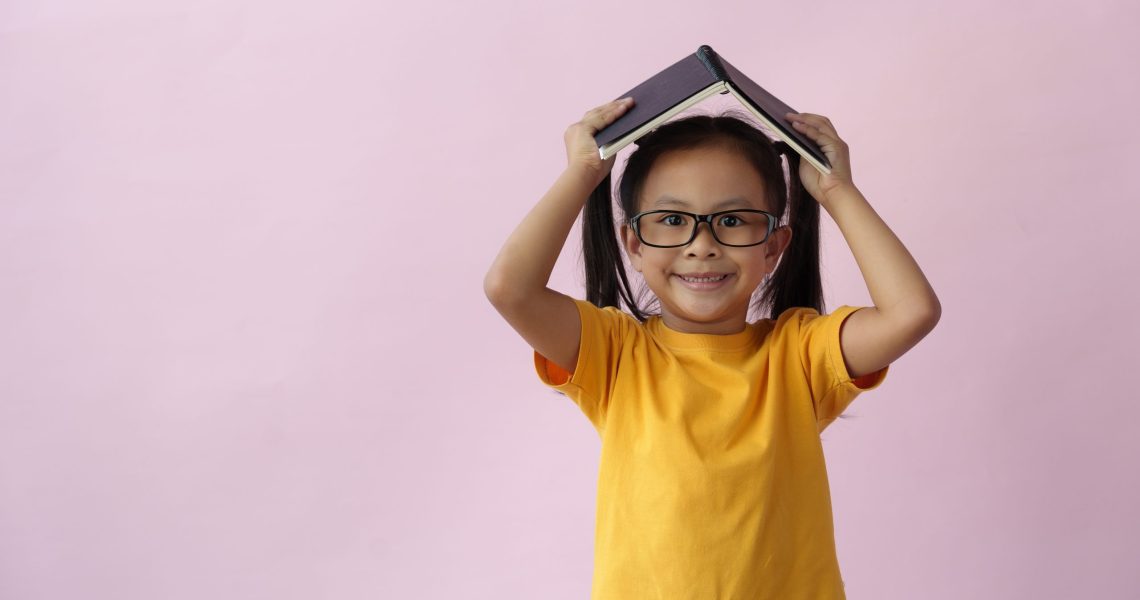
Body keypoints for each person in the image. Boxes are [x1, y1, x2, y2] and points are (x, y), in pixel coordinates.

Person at [483, 96, 940, 599]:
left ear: (773, 246)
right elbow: (510, 288)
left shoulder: (800, 355)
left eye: (733, 220)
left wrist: (836, 190)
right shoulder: (614, 353)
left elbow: (910, 312)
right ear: (633, 244)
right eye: (672, 220)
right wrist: (582, 174)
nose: (702, 245)